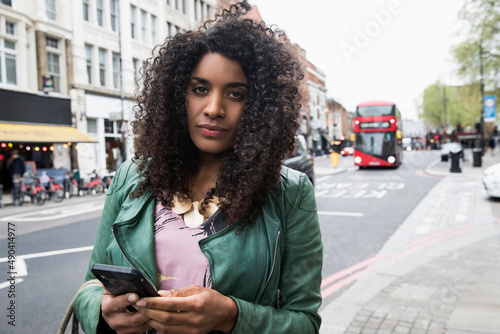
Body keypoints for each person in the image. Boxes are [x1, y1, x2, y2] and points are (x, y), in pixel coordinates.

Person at [73, 2, 323, 333]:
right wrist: (102, 313)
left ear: (259, 107)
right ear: (179, 95)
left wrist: (233, 316)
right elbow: (91, 284)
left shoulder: (290, 194)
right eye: (200, 89)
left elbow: (305, 322)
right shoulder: (130, 178)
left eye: (235, 94)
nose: (214, 108)